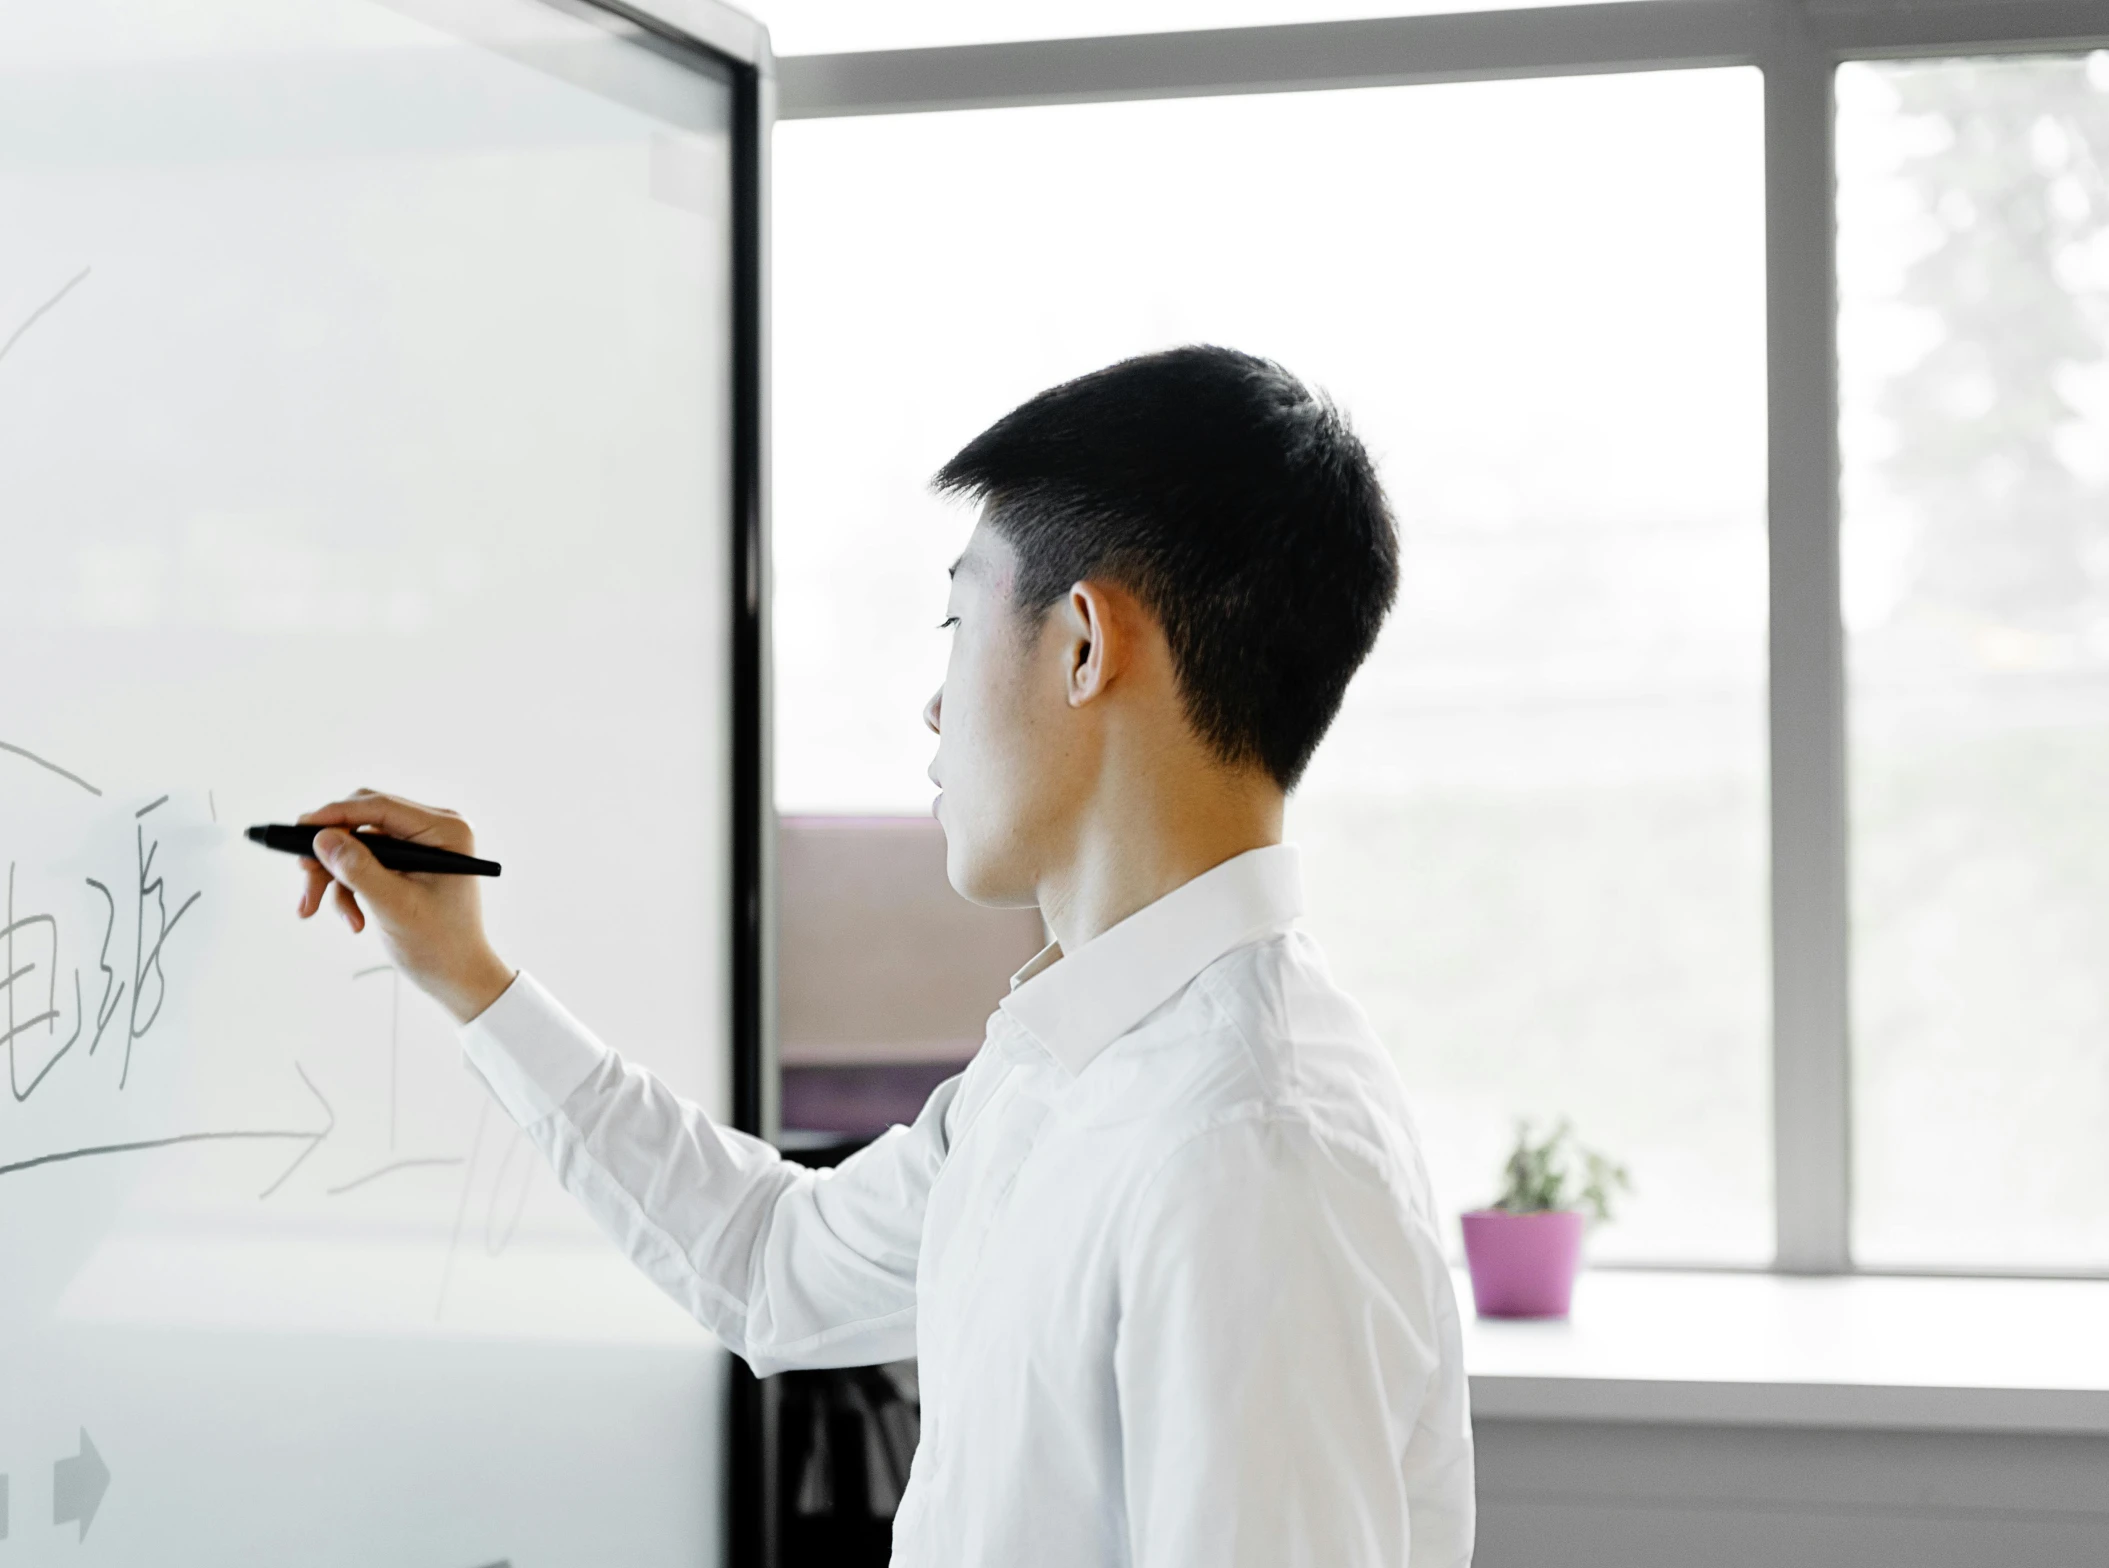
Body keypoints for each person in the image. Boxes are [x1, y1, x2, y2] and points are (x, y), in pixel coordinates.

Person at [291, 345, 1475, 1566]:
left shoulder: (1248, 1151)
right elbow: (769, 1262)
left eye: (959, 622)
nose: (931, 708)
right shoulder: (1070, 1062)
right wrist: (471, 981)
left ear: (1082, 646)